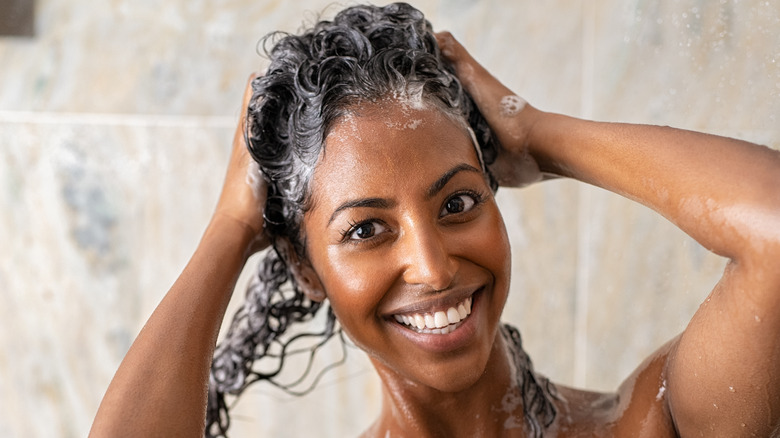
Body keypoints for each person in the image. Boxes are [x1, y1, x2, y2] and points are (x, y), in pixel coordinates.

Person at [89, 3, 780, 437]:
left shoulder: (646, 423)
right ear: (306, 268)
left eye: (456, 203)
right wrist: (231, 227)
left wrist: (533, 132)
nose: (433, 264)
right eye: (365, 229)